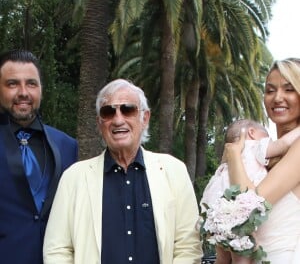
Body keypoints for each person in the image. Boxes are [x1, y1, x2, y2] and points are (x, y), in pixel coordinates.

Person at [43, 78, 202, 264]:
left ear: (145, 118)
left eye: (128, 110)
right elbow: (57, 249)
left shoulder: (174, 172)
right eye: (108, 112)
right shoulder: (74, 178)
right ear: (99, 123)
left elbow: (188, 246)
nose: (118, 120)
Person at [0, 49, 78, 264]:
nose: (23, 92)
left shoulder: (68, 146)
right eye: (12, 84)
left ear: (41, 89)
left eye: (31, 83)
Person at [225, 58, 300, 263]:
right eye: (270, 90)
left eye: (289, 89)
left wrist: (233, 156)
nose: (278, 98)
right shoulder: (261, 156)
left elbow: (248, 207)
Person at [200, 118, 300, 264]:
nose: (269, 140)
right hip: (238, 211)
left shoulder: (225, 163)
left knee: (225, 253)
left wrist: (233, 154)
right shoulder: (255, 146)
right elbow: (283, 143)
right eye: (266, 136)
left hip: (217, 211)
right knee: (244, 245)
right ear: (252, 133)